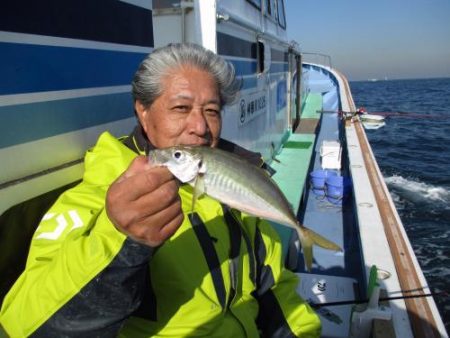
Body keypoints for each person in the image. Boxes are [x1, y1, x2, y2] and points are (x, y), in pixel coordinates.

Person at [0, 43, 320, 337]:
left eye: (211, 111)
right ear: (143, 111)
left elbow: (278, 293)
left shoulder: (236, 193)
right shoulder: (97, 196)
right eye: (181, 108)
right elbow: (27, 324)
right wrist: (120, 240)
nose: (200, 127)